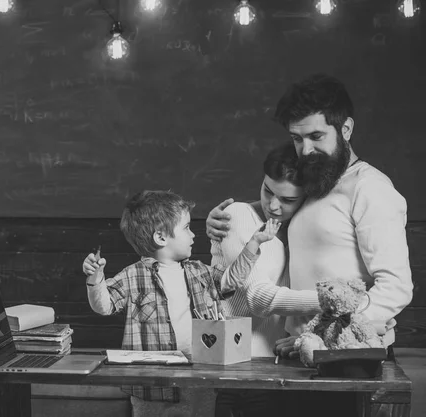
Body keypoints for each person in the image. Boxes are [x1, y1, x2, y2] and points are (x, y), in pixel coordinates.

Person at [206, 73, 413, 417]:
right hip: (297, 356)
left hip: (348, 361)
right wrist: (231, 220)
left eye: (316, 136)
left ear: (345, 129)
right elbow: (283, 210)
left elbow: (396, 287)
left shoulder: (371, 189)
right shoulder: (318, 180)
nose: (306, 150)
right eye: (297, 138)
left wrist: (330, 339)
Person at [83, 190, 253, 417]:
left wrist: (253, 246)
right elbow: (104, 305)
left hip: (198, 377)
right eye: (186, 228)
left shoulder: (199, 272)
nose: (193, 235)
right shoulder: (133, 276)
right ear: (161, 237)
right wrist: (95, 279)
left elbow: (231, 280)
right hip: (152, 385)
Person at [211, 142, 323, 417]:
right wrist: (329, 300)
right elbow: (258, 299)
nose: (273, 206)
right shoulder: (238, 215)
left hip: (274, 367)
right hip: (228, 367)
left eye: (287, 200)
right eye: (267, 191)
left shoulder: (296, 230)